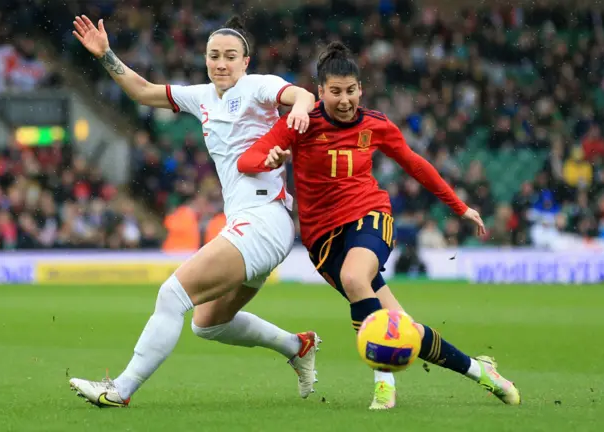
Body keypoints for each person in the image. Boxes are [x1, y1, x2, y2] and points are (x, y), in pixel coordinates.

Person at [238, 42, 521, 410]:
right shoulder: (300, 123)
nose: (344, 100)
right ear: (320, 92)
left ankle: (383, 386)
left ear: (361, 89)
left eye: (351, 90)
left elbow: (415, 164)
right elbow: (248, 160)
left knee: (357, 279)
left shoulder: (376, 124)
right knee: (401, 328)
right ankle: (482, 372)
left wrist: (459, 206)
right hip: (323, 240)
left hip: (369, 215)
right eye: (335, 92)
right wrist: (272, 157)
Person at [68, 15, 320, 407]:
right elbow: (145, 92)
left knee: (173, 295)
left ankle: (121, 388)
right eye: (214, 55)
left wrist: (301, 111)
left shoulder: (260, 86)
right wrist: (106, 56)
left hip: (264, 220)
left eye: (230, 56)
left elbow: (302, 96)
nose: (221, 63)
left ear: (245, 62)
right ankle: (297, 346)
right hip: (250, 223)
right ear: (205, 59)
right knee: (208, 324)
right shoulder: (201, 96)